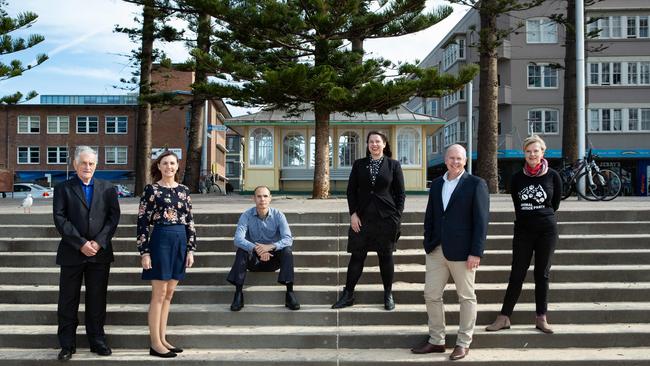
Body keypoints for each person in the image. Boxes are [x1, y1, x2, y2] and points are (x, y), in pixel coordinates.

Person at [411, 144, 489, 361]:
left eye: (459, 158)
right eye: (452, 158)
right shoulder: (436, 184)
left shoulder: (476, 184)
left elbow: (481, 222)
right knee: (431, 294)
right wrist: (428, 241)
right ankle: (437, 340)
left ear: (465, 161)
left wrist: (476, 252)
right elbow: (431, 216)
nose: (455, 162)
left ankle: (463, 343)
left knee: (466, 297)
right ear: (445, 160)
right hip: (437, 250)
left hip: (464, 252)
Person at [485, 135, 561, 334]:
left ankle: (541, 318)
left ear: (543, 152)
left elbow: (554, 205)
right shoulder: (517, 178)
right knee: (517, 273)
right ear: (524, 153)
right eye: (528, 151)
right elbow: (518, 205)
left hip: (547, 230)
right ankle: (504, 317)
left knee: (542, 274)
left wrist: (541, 216)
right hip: (523, 231)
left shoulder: (553, 176)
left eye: (536, 151)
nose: (532, 154)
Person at [53, 146, 120, 361]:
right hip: (72, 253)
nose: (87, 167)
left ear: (96, 165)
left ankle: (97, 341)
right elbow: (60, 218)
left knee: (97, 299)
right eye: (83, 163)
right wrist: (81, 243)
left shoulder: (108, 188)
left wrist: (99, 242)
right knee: (67, 300)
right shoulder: (63, 188)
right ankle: (66, 344)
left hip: (99, 254)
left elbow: (113, 218)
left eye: (91, 163)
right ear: (75, 164)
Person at [332, 131, 405, 311]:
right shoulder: (359, 165)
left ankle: (388, 294)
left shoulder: (393, 165)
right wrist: (353, 214)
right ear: (367, 145)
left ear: (384, 144)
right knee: (357, 257)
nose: (374, 144)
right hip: (362, 219)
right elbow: (351, 191)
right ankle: (348, 294)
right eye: (371, 142)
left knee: (386, 257)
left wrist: (397, 217)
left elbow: (400, 194)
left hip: (386, 219)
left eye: (378, 141)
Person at [137, 150, 196, 358]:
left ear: (177, 166)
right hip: (161, 239)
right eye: (165, 163)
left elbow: (190, 220)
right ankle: (155, 343)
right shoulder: (151, 190)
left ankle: (163, 339)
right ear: (159, 166)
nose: (169, 167)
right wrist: (144, 251)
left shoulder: (184, 190)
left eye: (172, 163)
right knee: (159, 294)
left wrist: (190, 248)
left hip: (180, 240)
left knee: (169, 294)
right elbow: (142, 221)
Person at [227, 185, 299, 311]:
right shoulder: (246, 215)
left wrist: (270, 247)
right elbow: (238, 239)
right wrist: (257, 248)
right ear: (253, 198)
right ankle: (238, 294)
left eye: (265, 196)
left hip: (273, 259)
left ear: (270, 198)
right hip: (254, 260)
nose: (262, 199)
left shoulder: (278, 215)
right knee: (242, 250)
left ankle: (289, 293)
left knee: (287, 251)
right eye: (259, 196)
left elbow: (288, 239)